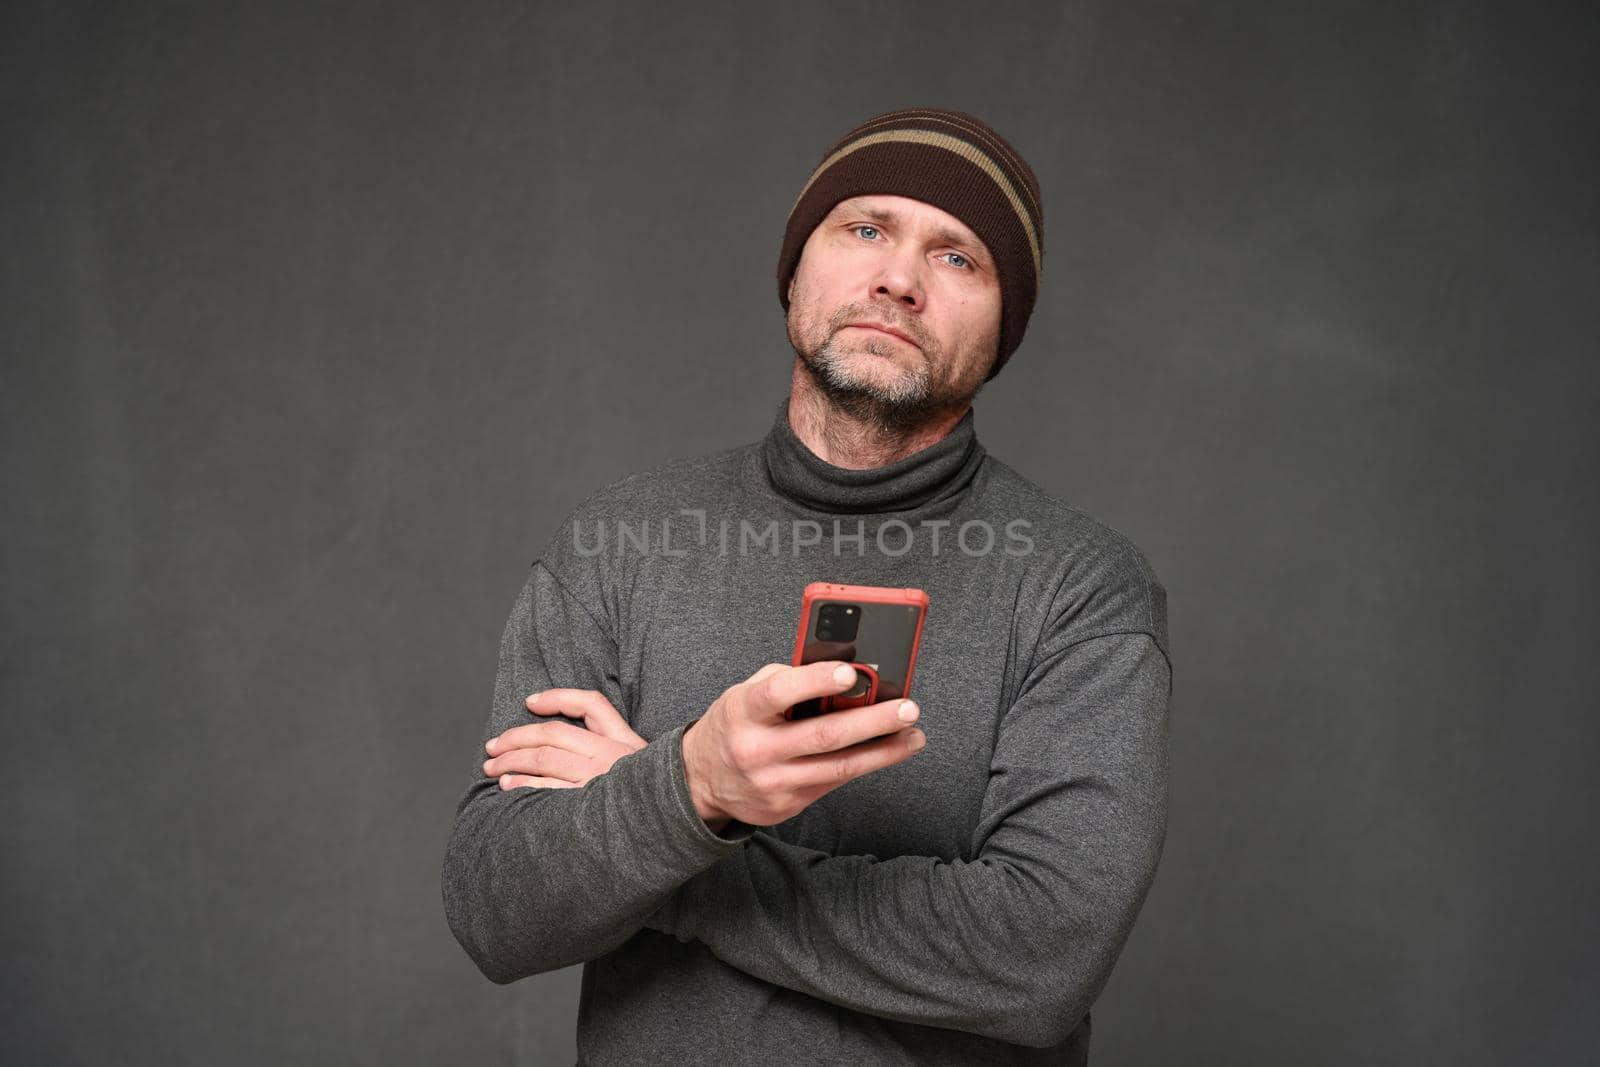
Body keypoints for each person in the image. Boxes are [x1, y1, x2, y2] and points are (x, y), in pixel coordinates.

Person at [441, 106, 1172, 1066]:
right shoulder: (622, 542)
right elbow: (496, 909)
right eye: (865, 228)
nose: (898, 279)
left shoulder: (1082, 588)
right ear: (797, 267)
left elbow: (1041, 960)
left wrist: (679, 825)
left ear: (1006, 328)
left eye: (959, 258)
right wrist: (696, 782)